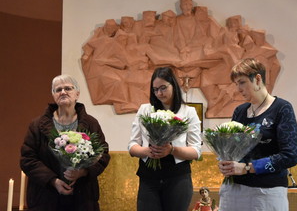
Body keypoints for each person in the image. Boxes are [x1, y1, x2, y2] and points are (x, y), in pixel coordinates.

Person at [218, 58, 297, 211]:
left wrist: (247, 168)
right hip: (234, 190)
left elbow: (291, 156)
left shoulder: (282, 108)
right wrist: (225, 161)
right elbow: (232, 149)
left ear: (257, 79)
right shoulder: (240, 111)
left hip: (267, 192)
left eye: (242, 82)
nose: (238, 89)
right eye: (236, 84)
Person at [20, 75, 110, 211]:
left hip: (82, 198)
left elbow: (102, 154)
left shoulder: (91, 123)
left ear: (77, 94)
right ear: (53, 95)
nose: (63, 92)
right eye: (58, 90)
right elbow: (27, 159)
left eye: (68, 88)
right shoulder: (37, 125)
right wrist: (53, 181)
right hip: (45, 197)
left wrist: (83, 171)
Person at [128, 66, 202, 211]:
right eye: (155, 90)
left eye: (163, 88)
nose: (159, 93)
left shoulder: (188, 112)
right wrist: (147, 151)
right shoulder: (145, 110)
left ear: (173, 85)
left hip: (178, 177)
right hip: (148, 177)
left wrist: (172, 150)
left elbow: (196, 151)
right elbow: (132, 146)